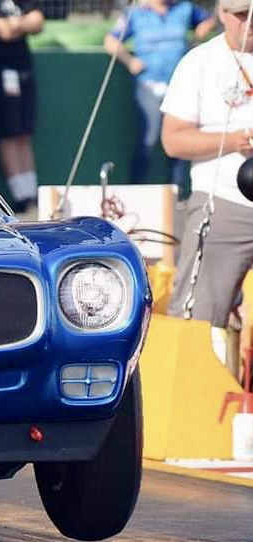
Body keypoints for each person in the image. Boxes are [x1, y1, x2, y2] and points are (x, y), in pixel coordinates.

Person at [162, 0, 253, 343]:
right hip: (223, 201)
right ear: (221, 14)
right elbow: (173, 140)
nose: (250, 21)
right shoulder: (199, 62)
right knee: (198, 320)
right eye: (241, 14)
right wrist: (235, 140)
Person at [104, 0, 218, 188]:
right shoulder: (136, 13)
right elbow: (111, 40)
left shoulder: (184, 8)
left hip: (179, 85)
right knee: (148, 140)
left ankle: (177, 189)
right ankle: (137, 188)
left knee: (181, 139)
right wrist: (130, 61)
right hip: (149, 84)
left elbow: (210, 19)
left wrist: (197, 37)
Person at [0, 0, 44, 213]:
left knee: (23, 133)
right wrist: (23, 23)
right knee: (9, 134)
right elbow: (4, 31)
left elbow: (39, 23)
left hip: (23, 71)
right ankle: (20, 196)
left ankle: (31, 194)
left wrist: (15, 23)